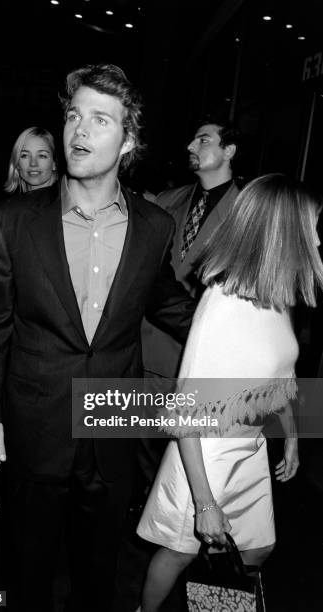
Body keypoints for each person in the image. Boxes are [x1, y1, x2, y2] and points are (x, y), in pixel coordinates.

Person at [0, 63, 196, 612]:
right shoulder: (14, 219)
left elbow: (167, 301)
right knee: (27, 567)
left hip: (112, 422)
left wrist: (241, 322)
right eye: (74, 116)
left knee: (98, 573)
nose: (79, 130)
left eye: (99, 119)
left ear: (128, 141)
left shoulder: (153, 226)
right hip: (35, 420)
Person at [136, 173, 323, 612]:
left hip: (250, 449)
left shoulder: (278, 295)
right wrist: (204, 504)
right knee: (181, 552)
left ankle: (215, 607)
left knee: (256, 549)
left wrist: (292, 435)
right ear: (285, 230)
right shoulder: (223, 303)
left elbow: (280, 376)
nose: (317, 238)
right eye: (312, 226)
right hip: (208, 455)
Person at [138, 117, 241, 493]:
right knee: (143, 441)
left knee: (185, 451)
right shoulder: (169, 200)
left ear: (228, 151)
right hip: (146, 345)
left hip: (195, 353)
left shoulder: (246, 213)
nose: (191, 147)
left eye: (203, 140)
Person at [4, 126, 58, 193]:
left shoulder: (66, 201)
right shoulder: (11, 202)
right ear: (17, 163)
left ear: (54, 163)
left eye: (42, 156)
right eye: (25, 156)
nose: (33, 163)